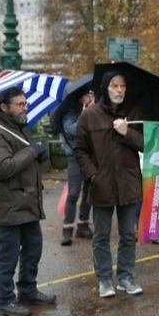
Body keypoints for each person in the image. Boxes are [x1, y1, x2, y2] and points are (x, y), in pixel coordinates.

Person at [0, 86, 56, 316]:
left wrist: (40, 156)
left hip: (28, 202)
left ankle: (27, 290)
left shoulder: (20, 129)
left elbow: (30, 164)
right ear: (4, 107)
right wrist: (31, 152)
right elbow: (4, 168)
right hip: (8, 205)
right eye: (20, 104)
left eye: (25, 103)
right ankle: (4, 299)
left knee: (33, 248)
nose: (25, 108)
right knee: (8, 255)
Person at [74, 71, 145, 298]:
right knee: (101, 235)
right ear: (106, 88)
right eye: (114, 85)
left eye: (123, 86)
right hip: (102, 185)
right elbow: (80, 150)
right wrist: (92, 176)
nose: (119, 90)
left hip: (129, 183)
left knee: (128, 234)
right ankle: (104, 279)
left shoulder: (134, 113)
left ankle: (125, 276)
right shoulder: (89, 116)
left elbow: (146, 144)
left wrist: (127, 132)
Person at [59, 87, 95, 246]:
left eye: (91, 95)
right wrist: (85, 114)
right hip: (74, 156)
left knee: (89, 191)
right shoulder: (69, 113)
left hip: (90, 155)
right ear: (80, 98)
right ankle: (67, 229)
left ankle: (83, 225)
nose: (90, 98)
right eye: (87, 95)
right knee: (73, 193)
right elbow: (71, 130)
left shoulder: (94, 110)